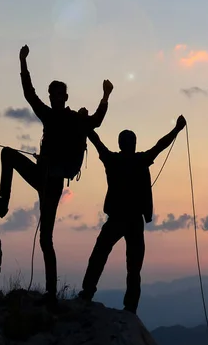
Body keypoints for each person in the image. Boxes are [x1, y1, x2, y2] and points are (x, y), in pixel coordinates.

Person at [0, 44, 114, 310]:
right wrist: (23, 63)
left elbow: (95, 121)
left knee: (46, 238)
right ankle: (2, 202)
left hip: (51, 180)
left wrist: (105, 96)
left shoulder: (70, 118)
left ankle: (50, 292)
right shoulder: (51, 114)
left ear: (64, 96)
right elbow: (29, 94)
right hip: (43, 175)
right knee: (8, 154)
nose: (55, 97)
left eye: (58, 94)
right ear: (52, 96)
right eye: (53, 94)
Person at [78, 115, 187, 313]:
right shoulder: (141, 160)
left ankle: (87, 292)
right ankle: (130, 307)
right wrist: (177, 129)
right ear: (133, 144)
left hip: (117, 219)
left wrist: (84, 123)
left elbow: (96, 141)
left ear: (120, 144)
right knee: (133, 266)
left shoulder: (113, 160)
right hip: (134, 221)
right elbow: (160, 145)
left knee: (100, 254)